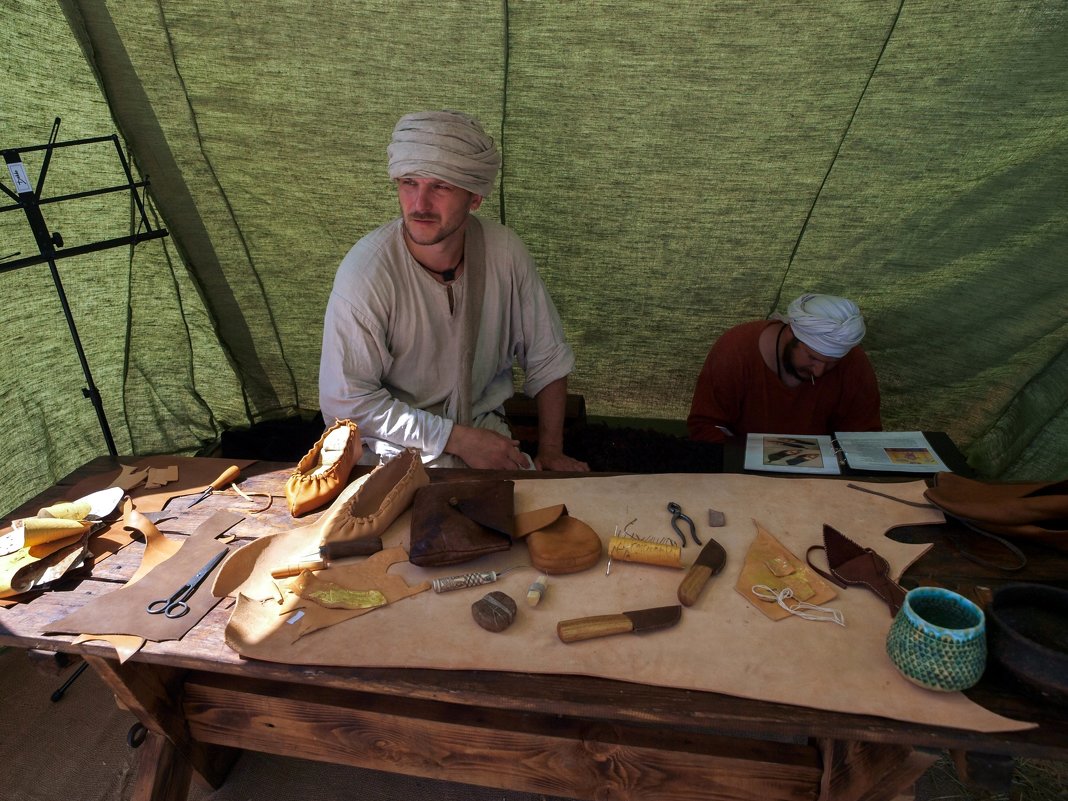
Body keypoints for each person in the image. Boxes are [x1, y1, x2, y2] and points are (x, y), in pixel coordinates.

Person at [319, 110, 589, 472]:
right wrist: (456, 439)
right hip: (391, 446)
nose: (420, 205)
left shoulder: (504, 253)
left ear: (474, 198)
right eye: (409, 183)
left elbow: (547, 357)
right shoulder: (366, 273)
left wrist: (551, 450)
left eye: (441, 186)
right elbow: (346, 403)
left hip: (483, 428)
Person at [687, 293, 882, 443]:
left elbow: (863, 437)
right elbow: (705, 425)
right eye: (813, 357)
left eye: (832, 362)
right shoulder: (736, 349)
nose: (819, 371)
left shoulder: (854, 362)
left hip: (816, 480)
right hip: (741, 474)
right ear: (790, 334)